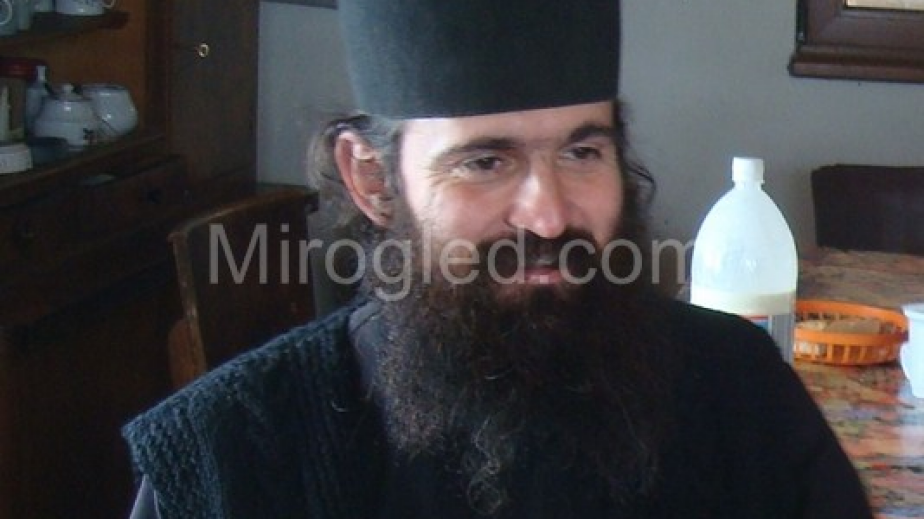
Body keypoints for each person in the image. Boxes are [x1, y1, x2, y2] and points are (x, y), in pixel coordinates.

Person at [123, 1, 874, 517]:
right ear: (373, 180)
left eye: (582, 152)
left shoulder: (739, 390)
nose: (548, 214)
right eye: (485, 162)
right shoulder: (226, 458)